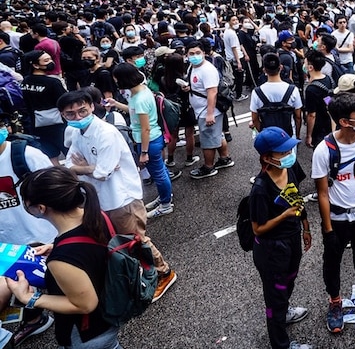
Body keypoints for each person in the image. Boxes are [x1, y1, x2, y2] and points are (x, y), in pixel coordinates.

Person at [58, 90, 177, 302]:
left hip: (122, 198)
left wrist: (82, 167)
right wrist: (86, 167)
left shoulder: (106, 133)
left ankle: (163, 273)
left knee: (137, 239)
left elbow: (103, 173)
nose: (77, 117)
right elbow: (69, 164)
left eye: (82, 111)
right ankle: (140, 273)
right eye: (70, 114)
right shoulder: (77, 133)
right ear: (62, 115)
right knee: (118, 240)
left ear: (92, 107)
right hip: (100, 199)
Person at [8, 167, 121, 349]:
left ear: (41, 208)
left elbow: (86, 304)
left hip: (88, 334)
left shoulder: (62, 259)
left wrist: (30, 298)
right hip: (110, 311)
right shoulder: (96, 216)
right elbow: (94, 250)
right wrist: (57, 247)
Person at [311, 93, 355, 334]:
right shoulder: (324, 150)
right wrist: (328, 229)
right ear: (344, 122)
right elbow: (322, 193)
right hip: (338, 218)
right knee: (332, 261)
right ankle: (335, 302)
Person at [249, 127, 312, 349]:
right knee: (274, 298)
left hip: (292, 239)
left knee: (289, 280)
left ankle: (284, 312)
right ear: (267, 158)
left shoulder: (291, 167)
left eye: (290, 149)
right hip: (271, 249)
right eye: (283, 152)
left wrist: (305, 225)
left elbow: (296, 195)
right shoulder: (260, 188)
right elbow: (257, 229)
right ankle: (281, 344)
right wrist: (285, 215)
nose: (290, 154)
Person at [0, 113, 56, 347]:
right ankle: (35, 318)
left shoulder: (26, 156)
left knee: (58, 284)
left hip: (43, 237)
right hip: (8, 239)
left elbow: (59, 191)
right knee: (18, 284)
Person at [110, 63, 175, 218]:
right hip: (152, 138)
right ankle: (165, 197)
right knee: (161, 171)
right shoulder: (140, 91)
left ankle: (166, 204)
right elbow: (134, 113)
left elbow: (145, 128)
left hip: (149, 141)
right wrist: (116, 104)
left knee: (158, 174)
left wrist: (144, 152)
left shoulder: (139, 99)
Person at [182, 41, 233, 179]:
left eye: (198, 53)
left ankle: (208, 167)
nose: (195, 56)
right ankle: (224, 158)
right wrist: (189, 88)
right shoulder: (192, 67)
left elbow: (212, 93)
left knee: (208, 141)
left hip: (208, 112)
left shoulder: (207, 70)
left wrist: (210, 114)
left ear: (204, 53)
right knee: (217, 135)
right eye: (191, 53)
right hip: (202, 110)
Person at [20, 50, 67, 161]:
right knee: (72, 155)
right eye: (46, 60)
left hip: (36, 125)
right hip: (58, 125)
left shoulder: (25, 81)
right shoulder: (53, 82)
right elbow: (65, 101)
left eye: (50, 59)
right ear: (35, 65)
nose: (50, 62)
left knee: (51, 158)